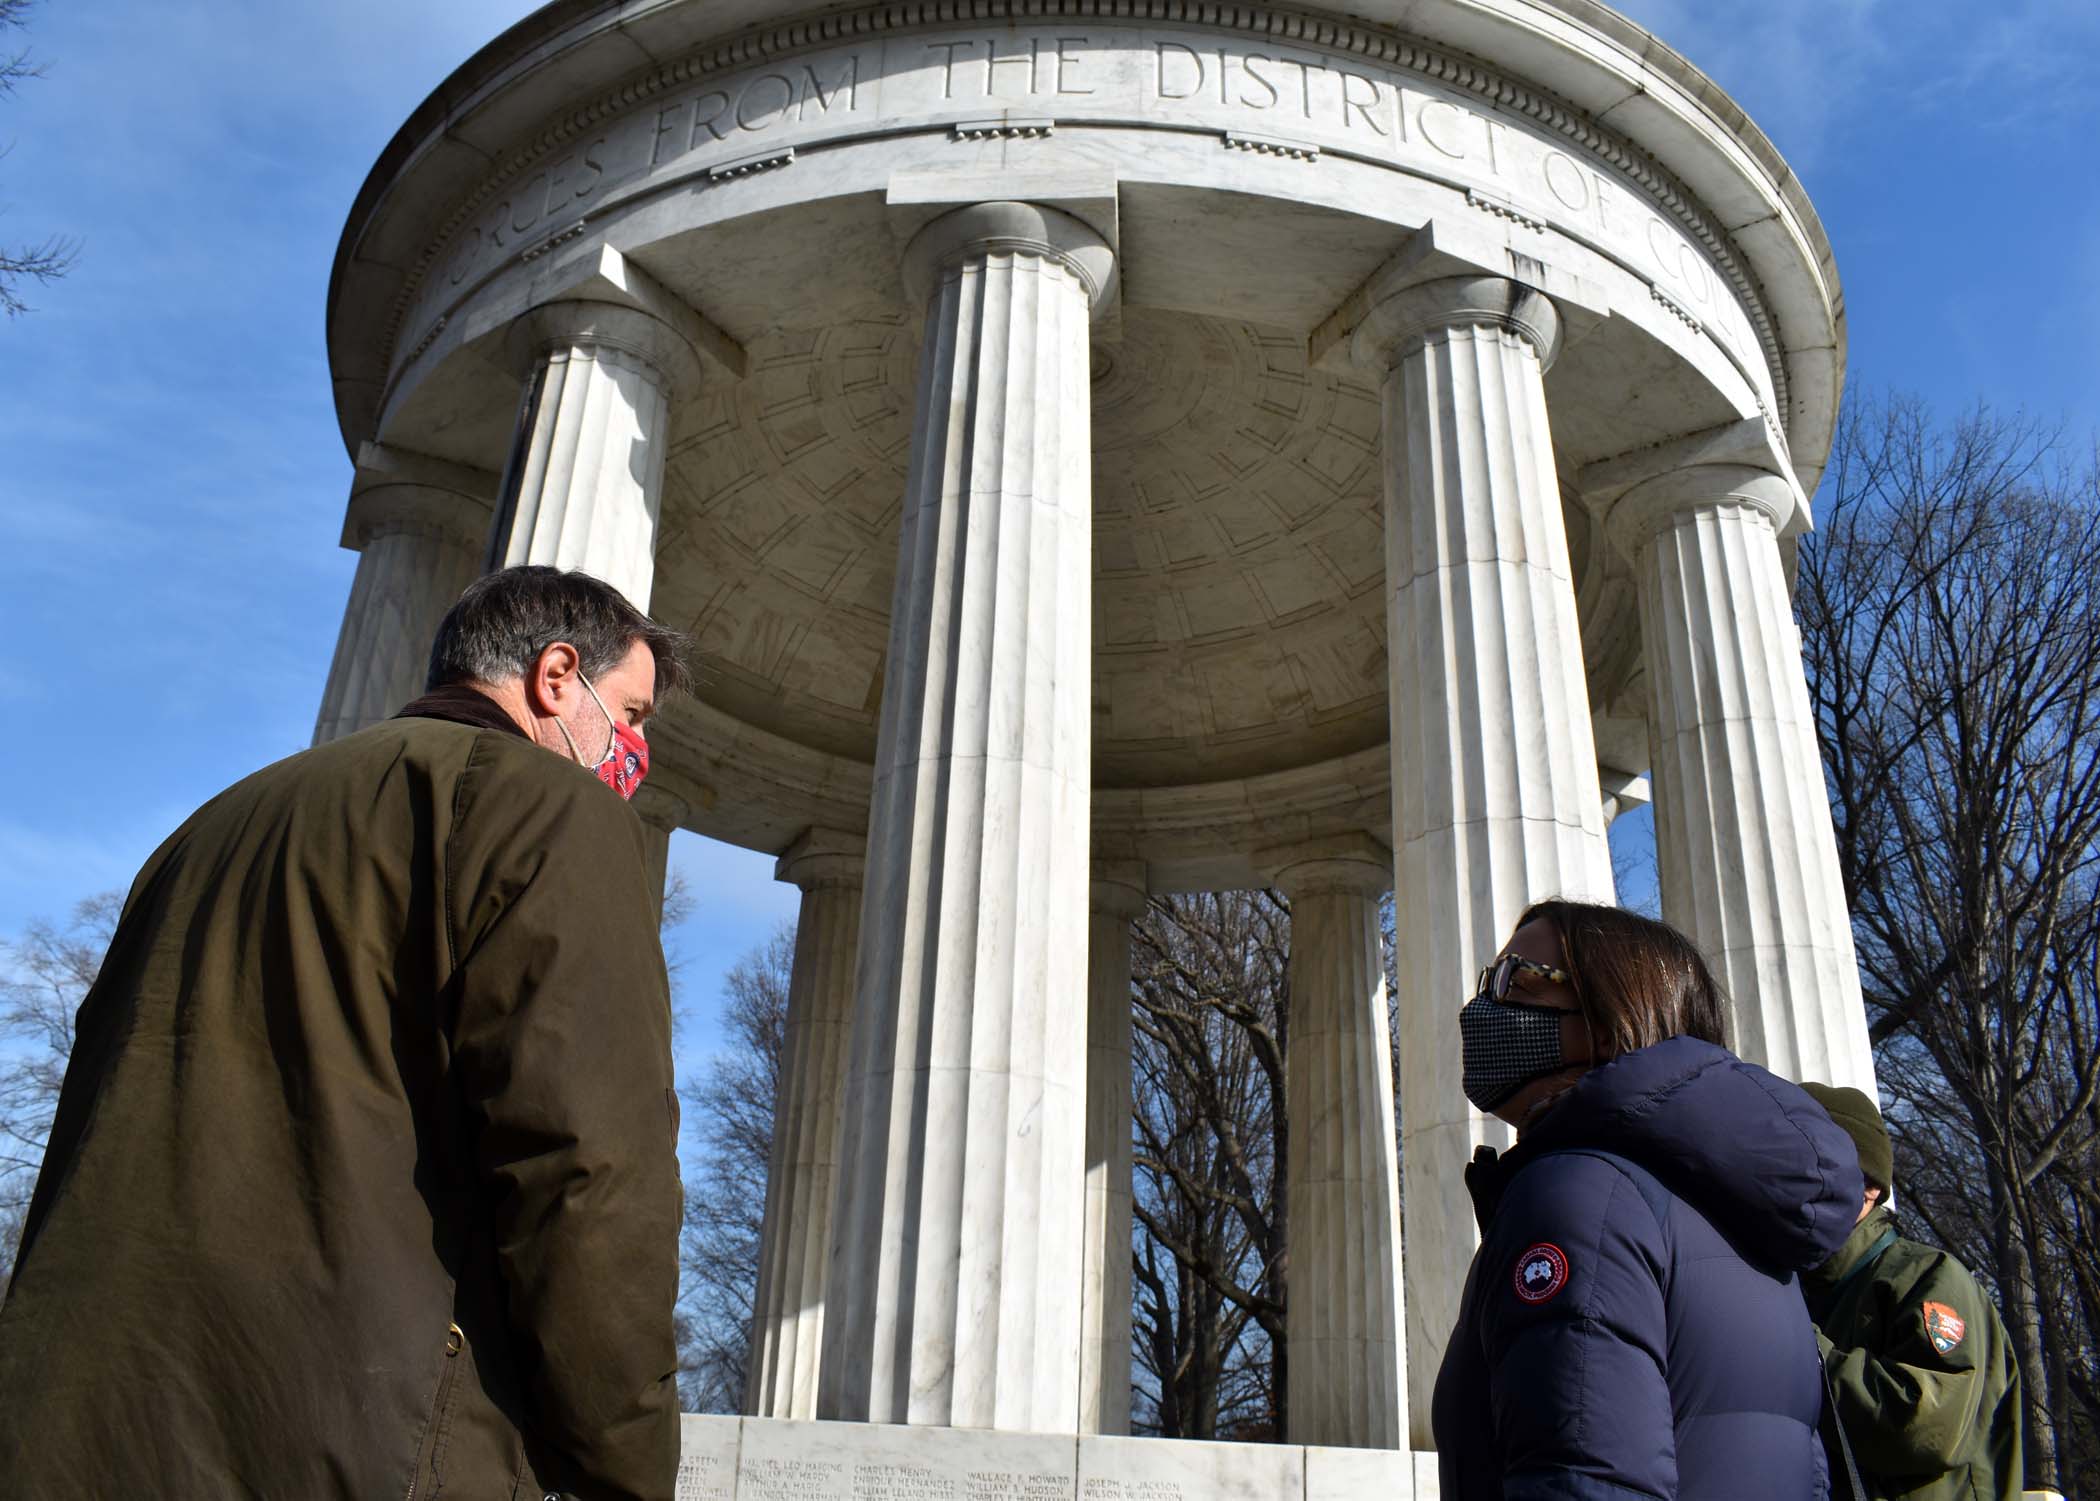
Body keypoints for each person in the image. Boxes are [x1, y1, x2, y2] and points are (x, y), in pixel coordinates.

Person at [0, 566, 689, 1501]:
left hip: (82, 1430)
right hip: (366, 1446)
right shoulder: (554, 815)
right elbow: (587, 1172)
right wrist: (628, 1468)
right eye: (635, 713)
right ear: (556, 676)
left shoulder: (208, 828)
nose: (639, 751)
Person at [1432, 899, 1864, 1500]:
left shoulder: (1580, 1196)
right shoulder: (1729, 1213)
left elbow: (1584, 1485)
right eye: (1489, 981)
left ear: (1608, 1025)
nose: (1481, 1009)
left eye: (1518, 981)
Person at [1798, 1083, 2024, 1501]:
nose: (1796, 1185)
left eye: (1815, 1165)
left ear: (1870, 1187)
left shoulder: (1928, 1279)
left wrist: (1799, 1348)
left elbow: (1925, 1426)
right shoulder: (1796, 1287)